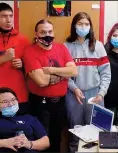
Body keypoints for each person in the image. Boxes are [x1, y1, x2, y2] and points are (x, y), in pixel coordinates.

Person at [22, 19, 77, 152]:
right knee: (41, 141)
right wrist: (63, 74)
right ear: (36, 34)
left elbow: (74, 71)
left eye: (50, 31)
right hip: (40, 105)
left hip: (59, 104)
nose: (47, 35)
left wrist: (51, 70)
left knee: (56, 140)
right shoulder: (30, 51)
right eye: (43, 32)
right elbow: (41, 81)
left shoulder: (61, 48)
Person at [64, 12, 111, 152]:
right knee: (75, 133)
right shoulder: (65, 46)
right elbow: (64, 75)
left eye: (86, 24)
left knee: (97, 132)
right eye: (80, 24)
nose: (83, 27)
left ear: (90, 27)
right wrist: (74, 88)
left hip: (95, 94)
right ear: (74, 26)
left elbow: (106, 73)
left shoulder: (98, 46)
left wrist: (102, 93)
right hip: (74, 95)